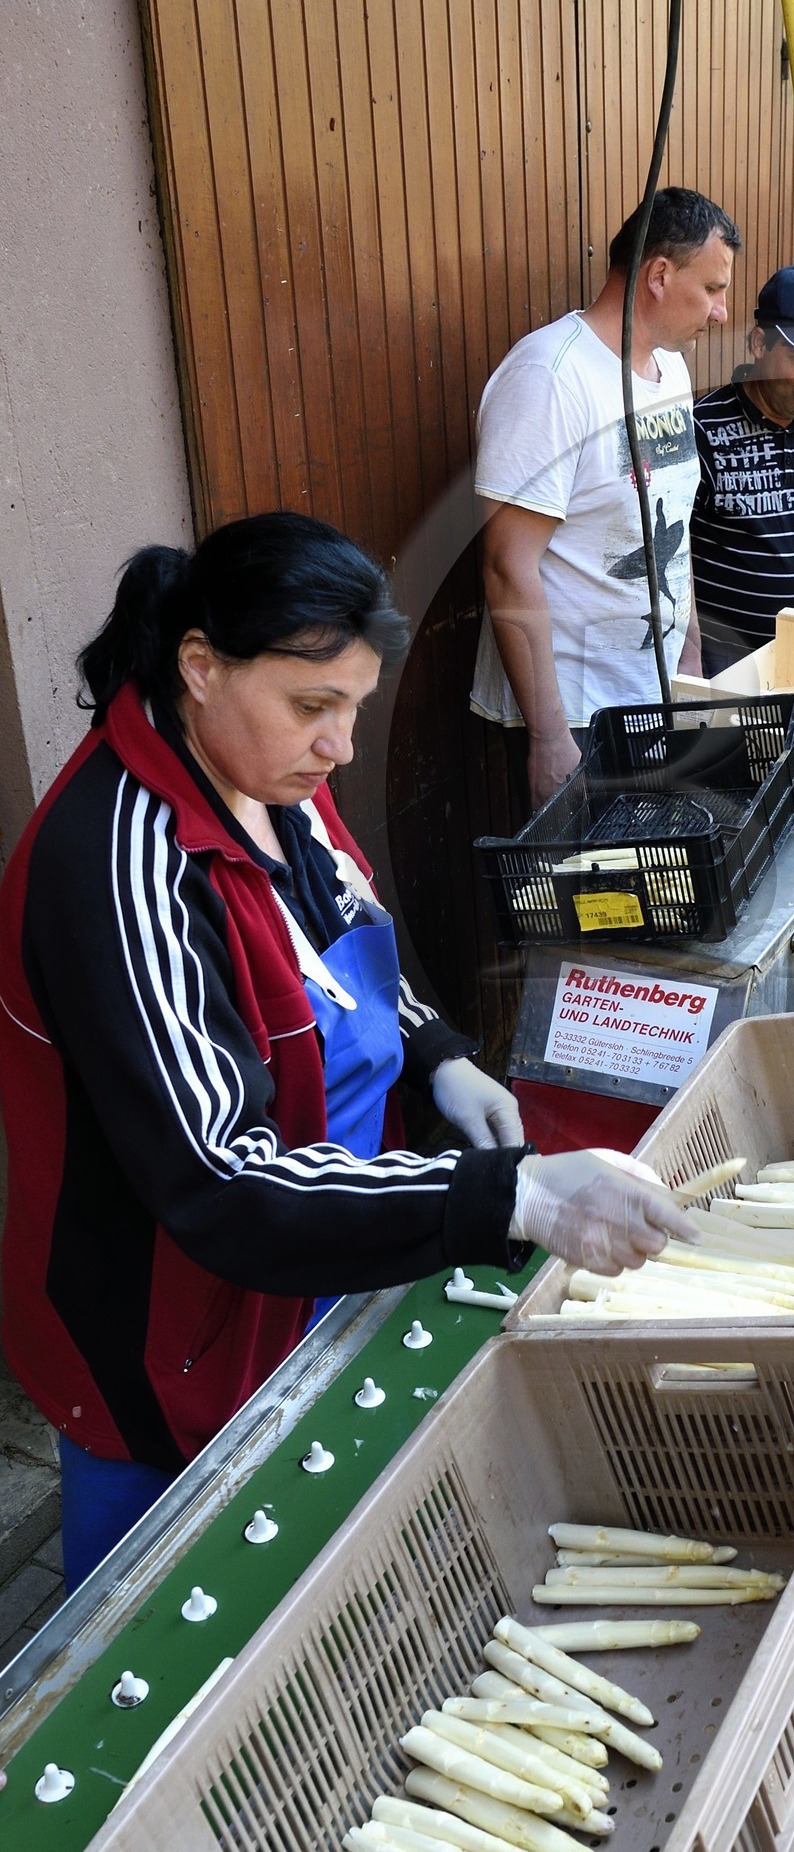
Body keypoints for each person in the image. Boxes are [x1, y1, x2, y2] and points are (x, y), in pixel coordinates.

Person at [0, 514, 688, 1588]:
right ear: (200, 667)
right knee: (163, 1615)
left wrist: (436, 1053)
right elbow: (222, 1180)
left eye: (354, 709)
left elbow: (343, 952)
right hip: (178, 1332)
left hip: (323, 1249)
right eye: (313, 707)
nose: (341, 748)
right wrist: (515, 1199)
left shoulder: (280, 783)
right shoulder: (120, 868)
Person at [473, 188, 742, 807]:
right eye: (712, 289)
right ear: (658, 275)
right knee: (585, 895)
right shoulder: (549, 378)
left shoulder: (669, 368)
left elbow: (670, 521)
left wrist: (690, 656)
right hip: (576, 712)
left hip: (651, 689)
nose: (722, 311)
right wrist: (547, 737)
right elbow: (506, 564)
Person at [690, 266, 794, 677]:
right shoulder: (701, 430)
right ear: (759, 343)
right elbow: (677, 570)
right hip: (724, 670)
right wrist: (691, 665)